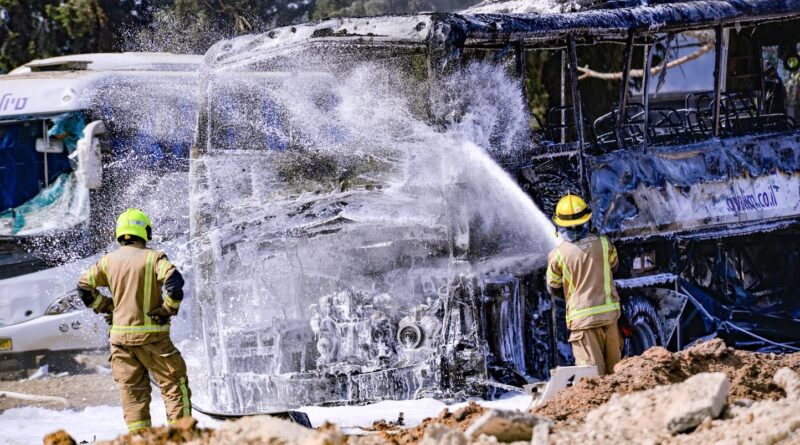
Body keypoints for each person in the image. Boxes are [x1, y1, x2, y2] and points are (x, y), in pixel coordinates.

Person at [77, 208, 191, 433]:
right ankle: (183, 436)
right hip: (153, 339)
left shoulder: (107, 261)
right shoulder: (154, 258)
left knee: (133, 395)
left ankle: (140, 439)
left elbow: (83, 287)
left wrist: (106, 306)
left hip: (120, 342)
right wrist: (167, 309)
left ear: (119, 234)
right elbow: (174, 283)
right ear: (145, 232)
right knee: (174, 386)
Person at [545, 193, 622, 375]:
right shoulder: (604, 244)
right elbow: (615, 267)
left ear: (560, 225)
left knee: (592, 378)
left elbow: (553, 287)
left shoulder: (558, 255)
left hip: (583, 324)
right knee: (616, 375)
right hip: (609, 318)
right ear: (587, 220)